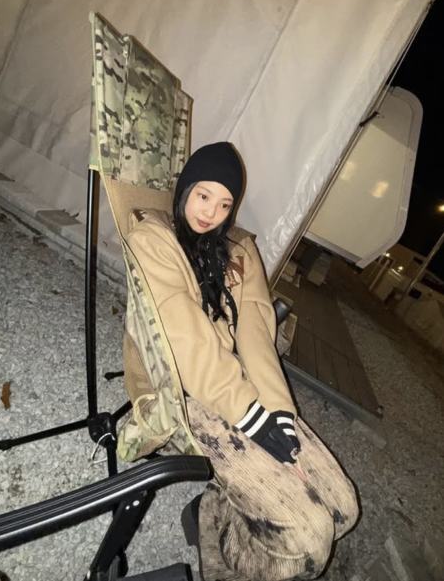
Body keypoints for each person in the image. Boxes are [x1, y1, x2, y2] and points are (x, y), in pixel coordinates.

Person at [127, 142, 359, 581]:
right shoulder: (153, 239)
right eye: (203, 195)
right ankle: (217, 538)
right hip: (182, 388)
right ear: (185, 189)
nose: (211, 212)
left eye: (224, 203)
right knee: (306, 542)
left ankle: (217, 508)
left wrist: (279, 413)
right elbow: (184, 338)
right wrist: (252, 419)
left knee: (343, 511)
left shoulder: (238, 249)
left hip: (237, 383)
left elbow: (256, 332)